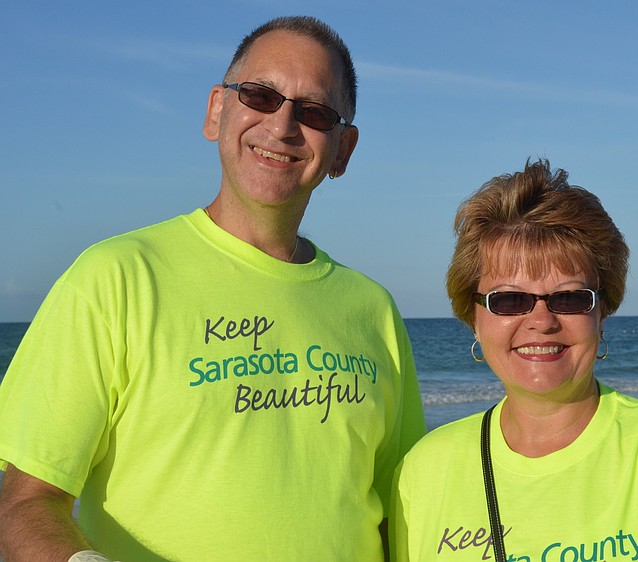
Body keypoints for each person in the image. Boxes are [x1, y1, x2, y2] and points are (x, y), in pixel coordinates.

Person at [0, 16, 425, 562]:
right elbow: (26, 504)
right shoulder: (115, 277)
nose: (283, 125)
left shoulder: (374, 310)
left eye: (315, 112)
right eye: (260, 95)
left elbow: (401, 512)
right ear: (217, 112)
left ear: (343, 150)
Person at [390, 159, 638, 561]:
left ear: (602, 312)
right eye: (509, 300)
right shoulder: (424, 471)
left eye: (570, 298)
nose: (541, 321)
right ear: (473, 317)